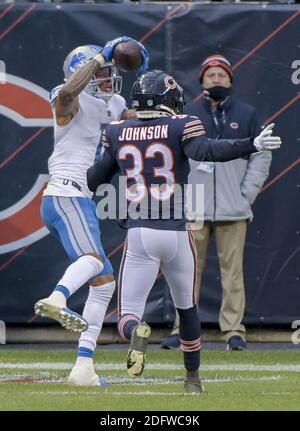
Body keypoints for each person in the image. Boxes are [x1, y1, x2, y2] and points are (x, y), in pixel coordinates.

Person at [87, 70, 281, 393]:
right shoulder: (181, 124)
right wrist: (251, 143)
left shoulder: (118, 131)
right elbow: (208, 151)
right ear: (167, 102)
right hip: (178, 232)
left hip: (140, 233)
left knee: (126, 317)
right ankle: (192, 380)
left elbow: (96, 178)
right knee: (187, 307)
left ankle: (138, 329)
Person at [34, 38, 149, 386]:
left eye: (110, 71)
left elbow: (138, 118)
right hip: (65, 193)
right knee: (94, 260)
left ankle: (83, 368)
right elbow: (69, 94)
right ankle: (57, 297)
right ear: (82, 70)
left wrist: (158, 100)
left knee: (103, 283)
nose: (108, 77)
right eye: (101, 71)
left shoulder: (113, 102)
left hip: (79, 199)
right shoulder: (67, 94)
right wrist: (99, 56)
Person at [161, 54, 272, 351]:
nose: (216, 79)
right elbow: (173, 154)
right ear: (201, 81)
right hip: (194, 206)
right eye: (210, 75)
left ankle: (233, 330)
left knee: (232, 272)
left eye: (222, 74)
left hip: (232, 207)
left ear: (231, 80)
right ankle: (181, 328)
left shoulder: (246, 113)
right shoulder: (188, 113)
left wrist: (245, 193)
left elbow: (261, 154)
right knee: (186, 271)